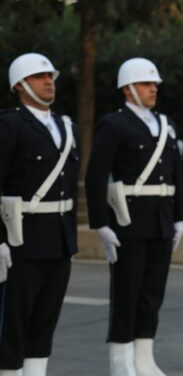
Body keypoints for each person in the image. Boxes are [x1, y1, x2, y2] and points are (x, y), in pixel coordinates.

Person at [85, 57, 183, 376]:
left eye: (154, 83)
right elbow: (95, 176)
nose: (153, 89)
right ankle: (121, 363)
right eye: (146, 83)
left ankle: (144, 358)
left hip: (160, 220)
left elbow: (177, 173)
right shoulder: (114, 124)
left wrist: (180, 215)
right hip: (128, 222)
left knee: (152, 293)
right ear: (128, 89)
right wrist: (101, 223)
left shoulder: (166, 124)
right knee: (126, 294)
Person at [0, 54, 79, 376]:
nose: (49, 82)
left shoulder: (65, 125)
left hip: (58, 241)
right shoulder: (9, 124)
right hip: (21, 241)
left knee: (45, 320)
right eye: (39, 77)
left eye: (51, 76)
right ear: (20, 85)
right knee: (12, 323)